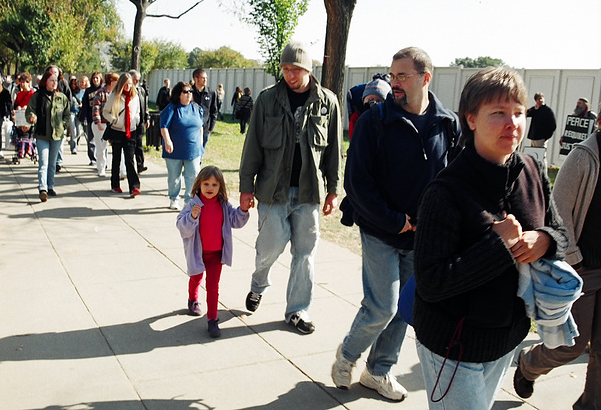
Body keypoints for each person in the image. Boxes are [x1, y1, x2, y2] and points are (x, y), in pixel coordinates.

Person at [413, 67, 568, 410]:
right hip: (452, 347)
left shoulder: (531, 170)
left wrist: (542, 240)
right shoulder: (445, 191)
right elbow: (431, 282)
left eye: (518, 112)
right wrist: (499, 246)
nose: (512, 123)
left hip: (507, 338)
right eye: (498, 113)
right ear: (470, 119)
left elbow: (560, 232)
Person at [331, 47, 460, 401]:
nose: (394, 82)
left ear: (425, 78)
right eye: (392, 75)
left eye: (402, 75)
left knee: (406, 309)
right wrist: (393, 220)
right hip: (380, 230)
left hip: (422, 238)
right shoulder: (375, 121)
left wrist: (438, 222)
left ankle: (379, 371)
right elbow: (356, 182)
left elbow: (455, 178)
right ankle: (347, 356)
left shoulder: (447, 123)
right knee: (383, 305)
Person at [239, 41, 342, 334]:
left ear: (308, 69)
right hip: (273, 191)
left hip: (309, 192)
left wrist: (333, 190)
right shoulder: (267, 100)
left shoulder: (328, 102)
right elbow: (252, 148)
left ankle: (298, 310)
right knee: (269, 247)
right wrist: (246, 187)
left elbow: (334, 150)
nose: (290, 75)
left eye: (295, 69)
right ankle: (259, 283)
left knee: (305, 253)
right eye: (285, 69)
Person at [514, 112, 601, 409]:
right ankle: (528, 365)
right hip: (582, 268)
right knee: (569, 346)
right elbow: (558, 214)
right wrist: (572, 259)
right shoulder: (584, 158)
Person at [176, 165, 251, 338]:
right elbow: (182, 228)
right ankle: (192, 299)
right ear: (199, 185)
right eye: (206, 184)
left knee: (212, 286)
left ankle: (212, 320)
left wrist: (244, 209)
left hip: (217, 254)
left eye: (215, 185)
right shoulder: (193, 205)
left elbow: (236, 221)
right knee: (196, 277)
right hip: (198, 252)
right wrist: (192, 217)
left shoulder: (223, 205)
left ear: (221, 187)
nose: (210, 188)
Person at [25, 71, 70, 202]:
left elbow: (67, 114)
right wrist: (31, 117)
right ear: (45, 82)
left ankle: (50, 186)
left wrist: (63, 125)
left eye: (56, 81)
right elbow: (30, 111)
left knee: (52, 163)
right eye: (51, 80)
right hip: (42, 134)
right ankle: (42, 188)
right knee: (43, 163)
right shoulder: (37, 96)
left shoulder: (61, 97)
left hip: (57, 135)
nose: (54, 83)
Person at [160, 81, 204, 210]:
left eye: (190, 92)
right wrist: (168, 141)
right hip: (174, 150)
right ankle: (174, 198)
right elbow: (164, 127)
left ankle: (189, 200)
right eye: (185, 92)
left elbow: (200, 127)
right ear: (178, 94)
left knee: (194, 175)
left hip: (193, 150)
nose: (189, 94)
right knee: (174, 177)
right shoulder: (171, 108)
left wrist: (200, 144)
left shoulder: (196, 108)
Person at [102, 73, 141, 197]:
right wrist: (113, 119)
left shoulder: (135, 97)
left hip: (131, 131)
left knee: (129, 159)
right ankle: (115, 184)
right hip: (117, 130)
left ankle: (134, 187)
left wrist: (135, 120)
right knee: (116, 159)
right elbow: (105, 112)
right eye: (126, 84)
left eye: (130, 84)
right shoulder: (114, 96)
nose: (128, 87)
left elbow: (137, 112)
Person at [92, 73, 119, 177]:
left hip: (112, 124)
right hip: (101, 124)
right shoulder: (100, 93)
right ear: (111, 81)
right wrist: (98, 123)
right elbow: (96, 109)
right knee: (101, 148)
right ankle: (101, 168)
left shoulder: (116, 93)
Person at [191, 68, 218, 148]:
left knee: (201, 151)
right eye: (203, 78)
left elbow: (214, 110)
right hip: (191, 128)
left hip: (205, 128)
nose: (205, 80)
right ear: (196, 79)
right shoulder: (189, 92)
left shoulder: (211, 93)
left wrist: (211, 128)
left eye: (206, 78)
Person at [81, 72, 103, 166]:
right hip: (90, 118)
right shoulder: (88, 91)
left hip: (101, 119)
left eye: (97, 78)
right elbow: (85, 105)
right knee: (91, 140)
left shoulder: (103, 90)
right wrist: (84, 117)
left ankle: (101, 159)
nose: (95, 80)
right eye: (94, 78)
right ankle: (92, 158)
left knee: (101, 140)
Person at [129, 69, 148, 174]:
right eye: (135, 79)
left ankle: (140, 165)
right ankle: (130, 166)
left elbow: (145, 105)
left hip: (140, 122)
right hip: (130, 122)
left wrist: (147, 118)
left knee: (139, 144)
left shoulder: (141, 90)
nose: (136, 82)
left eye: (138, 80)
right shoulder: (126, 90)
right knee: (131, 145)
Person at [67, 76, 85, 154]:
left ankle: (72, 142)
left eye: (75, 84)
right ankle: (74, 148)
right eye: (72, 84)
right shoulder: (69, 92)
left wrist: (82, 105)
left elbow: (84, 101)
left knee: (79, 131)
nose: (73, 85)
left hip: (79, 113)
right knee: (73, 131)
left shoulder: (80, 92)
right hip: (71, 112)